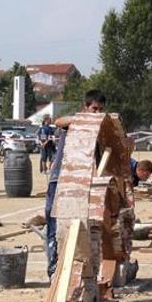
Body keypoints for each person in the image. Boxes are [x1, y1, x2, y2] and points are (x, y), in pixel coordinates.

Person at [45, 89, 106, 278]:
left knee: (79, 226)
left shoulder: (98, 129)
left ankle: (77, 271)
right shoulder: (73, 122)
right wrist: (82, 120)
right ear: (85, 107)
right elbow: (58, 121)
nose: (97, 113)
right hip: (59, 179)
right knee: (54, 223)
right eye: (94, 109)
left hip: (82, 184)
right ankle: (54, 269)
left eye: (100, 110)